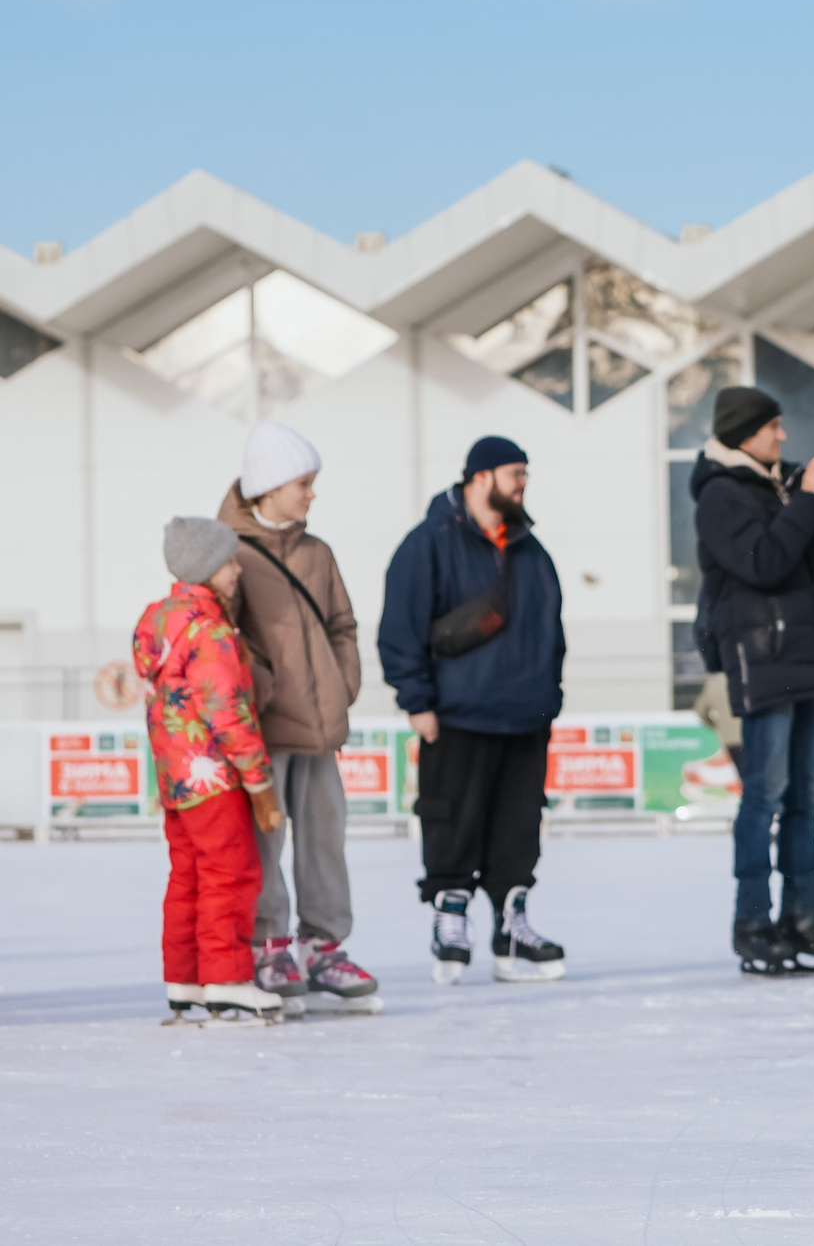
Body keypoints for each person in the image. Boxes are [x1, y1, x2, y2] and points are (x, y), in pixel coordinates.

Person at [379, 436, 570, 985]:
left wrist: (547, 698)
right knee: (452, 823)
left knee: (518, 829)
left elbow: (551, 633)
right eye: (516, 473)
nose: (523, 483)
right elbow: (399, 630)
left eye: (525, 474)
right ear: (480, 477)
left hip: (525, 720)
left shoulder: (532, 551)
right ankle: (450, 923)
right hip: (456, 716)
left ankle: (512, 929)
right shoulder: (429, 543)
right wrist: (416, 700)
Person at [690, 384, 814, 975]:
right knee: (764, 796)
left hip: (808, 660)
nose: (783, 437)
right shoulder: (719, 495)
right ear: (744, 432)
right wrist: (805, 502)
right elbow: (763, 562)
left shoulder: (784, 485)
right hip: (762, 663)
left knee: (805, 798)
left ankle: (802, 918)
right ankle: (753, 922)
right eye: (772, 428)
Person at [217, 421, 377, 1011]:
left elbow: (343, 627)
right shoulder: (228, 553)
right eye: (304, 483)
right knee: (265, 845)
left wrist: (343, 687)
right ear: (269, 485)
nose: (312, 494)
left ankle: (325, 947)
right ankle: (270, 945)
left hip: (321, 730)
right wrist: (264, 690)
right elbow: (223, 638)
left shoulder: (317, 553)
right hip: (265, 732)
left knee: (325, 842)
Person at [140, 517, 286, 1024]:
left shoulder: (162, 624)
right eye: (227, 562)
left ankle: (185, 979)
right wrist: (261, 784)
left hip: (176, 781)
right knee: (230, 873)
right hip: (214, 775)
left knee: (188, 877)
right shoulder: (210, 631)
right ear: (203, 570)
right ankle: (226, 980)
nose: (237, 570)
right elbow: (228, 712)